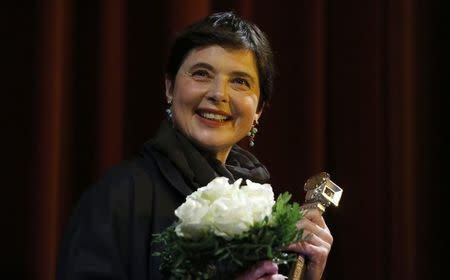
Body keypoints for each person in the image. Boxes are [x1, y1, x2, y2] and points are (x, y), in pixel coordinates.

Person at [56, 11, 333, 280]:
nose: (218, 94)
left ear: (259, 108)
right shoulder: (117, 197)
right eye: (201, 74)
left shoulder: (267, 212)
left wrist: (306, 274)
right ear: (169, 87)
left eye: (240, 81)